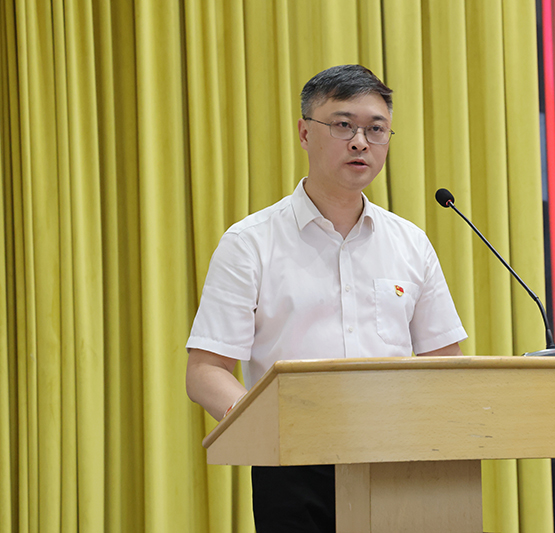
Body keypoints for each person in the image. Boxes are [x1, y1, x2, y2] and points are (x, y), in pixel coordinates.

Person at [185, 64, 467, 533]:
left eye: (376, 129)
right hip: (292, 466)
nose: (360, 142)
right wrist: (266, 425)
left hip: (398, 459)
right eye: (343, 125)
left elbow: (445, 362)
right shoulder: (250, 243)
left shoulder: (410, 243)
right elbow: (205, 371)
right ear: (304, 132)